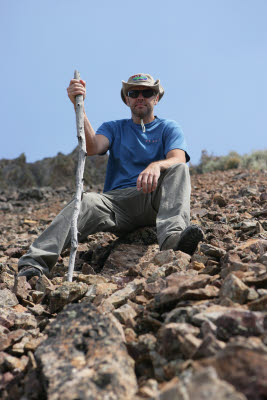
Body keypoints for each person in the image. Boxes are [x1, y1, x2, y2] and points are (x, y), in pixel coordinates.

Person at [18, 73, 204, 279]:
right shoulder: (113, 127)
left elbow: (178, 158)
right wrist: (78, 106)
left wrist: (156, 166)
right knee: (86, 200)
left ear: (156, 98)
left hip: (154, 199)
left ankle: (173, 241)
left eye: (147, 92)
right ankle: (34, 263)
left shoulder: (168, 127)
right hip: (116, 206)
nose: (140, 97)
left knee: (179, 169)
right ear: (127, 99)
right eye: (134, 93)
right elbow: (92, 147)